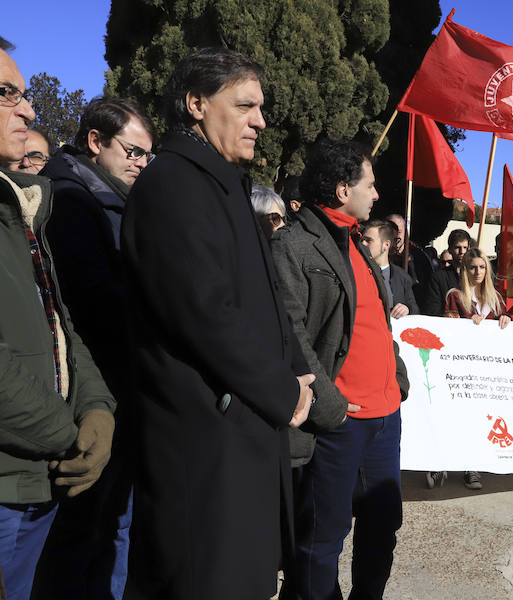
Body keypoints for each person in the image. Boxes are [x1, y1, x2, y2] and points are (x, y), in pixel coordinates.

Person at [120, 47, 315, 600]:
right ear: (196, 104)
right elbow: (203, 313)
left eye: (261, 107)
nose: (260, 120)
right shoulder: (173, 186)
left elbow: (268, 296)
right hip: (204, 449)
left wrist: (298, 372)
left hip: (243, 432)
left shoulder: (223, 185)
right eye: (246, 105)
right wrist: (280, 389)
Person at [0, 37, 116, 600]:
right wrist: (72, 437)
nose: (27, 109)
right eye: (6, 94)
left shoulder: (23, 210)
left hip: (38, 482)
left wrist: (98, 408)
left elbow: (61, 327)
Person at [270, 139, 408, 600]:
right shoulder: (293, 243)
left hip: (385, 418)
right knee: (322, 539)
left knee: (383, 527)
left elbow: (374, 318)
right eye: (369, 184)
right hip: (339, 421)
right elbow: (291, 330)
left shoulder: (357, 241)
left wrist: (398, 373)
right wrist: (328, 402)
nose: (376, 193)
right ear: (342, 187)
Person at [33, 95, 155, 600]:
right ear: (95, 142)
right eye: (131, 151)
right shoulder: (72, 202)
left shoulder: (114, 201)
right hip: (94, 396)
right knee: (83, 540)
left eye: (147, 155)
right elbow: (90, 307)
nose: (140, 164)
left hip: (118, 388)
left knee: (112, 532)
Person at [434, 248, 510, 491]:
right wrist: (467, 326)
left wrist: (506, 320)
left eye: (482, 267)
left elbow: (505, 330)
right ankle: (440, 462)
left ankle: (472, 467)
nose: (478, 271)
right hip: (460, 368)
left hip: (487, 369)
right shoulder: (455, 296)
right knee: (456, 416)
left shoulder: (496, 298)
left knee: (480, 417)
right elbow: (448, 331)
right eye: (472, 267)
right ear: (464, 270)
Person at [360, 218, 419, 317]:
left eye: (368, 240)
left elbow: (415, 309)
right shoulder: (357, 272)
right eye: (362, 240)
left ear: (386, 245)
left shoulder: (402, 277)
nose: (363, 244)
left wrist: (407, 309)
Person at [423, 228, 471, 315]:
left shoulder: (475, 275)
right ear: (450, 249)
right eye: (457, 248)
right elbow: (432, 309)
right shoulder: (438, 277)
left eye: (465, 247)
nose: (462, 252)